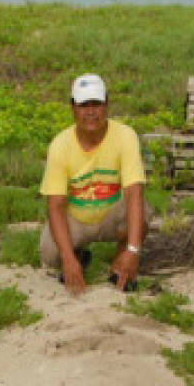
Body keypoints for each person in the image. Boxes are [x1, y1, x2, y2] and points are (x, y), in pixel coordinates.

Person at [39, 73, 149, 296]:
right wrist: (67, 260)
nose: (91, 112)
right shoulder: (60, 145)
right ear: (73, 108)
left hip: (111, 214)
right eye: (83, 105)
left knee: (142, 213)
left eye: (96, 104)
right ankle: (77, 256)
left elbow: (134, 192)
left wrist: (133, 250)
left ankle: (122, 260)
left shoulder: (126, 136)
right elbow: (55, 205)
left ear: (107, 104)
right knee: (50, 256)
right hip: (77, 217)